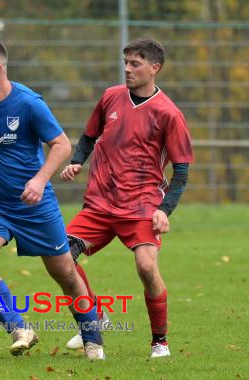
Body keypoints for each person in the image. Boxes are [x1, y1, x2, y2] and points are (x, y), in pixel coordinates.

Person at [0, 39, 104, 359]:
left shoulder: (29, 104)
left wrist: (40, 181)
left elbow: (61, 145)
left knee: (65, 273)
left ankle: (92, 336)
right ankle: (19, 327)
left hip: (34, 206)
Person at [60, 37, 194, 358]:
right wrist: (78, 160)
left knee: (147, 268)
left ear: (154, 68)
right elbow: (89, 136)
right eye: (126, 62)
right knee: (61, 258)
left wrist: (165, 210)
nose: (127, 69)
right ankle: (95, 317)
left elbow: (182, 172)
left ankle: (159, 341)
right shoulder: (110, 97)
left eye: (135, 64)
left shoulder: (169, 114)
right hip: (100, 204)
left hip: (142, 206)